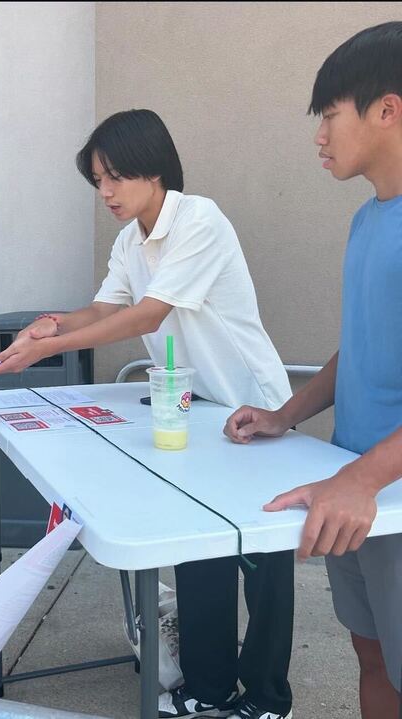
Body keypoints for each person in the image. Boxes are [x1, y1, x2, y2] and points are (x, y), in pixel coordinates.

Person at [0, 109, 294, 719]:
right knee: (201, 550)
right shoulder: (131, 240)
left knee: (264, 560)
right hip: (195, 411)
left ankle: (267, 700)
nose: (107, 193)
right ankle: (206, 689)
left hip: (255, 404)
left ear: (155, 169)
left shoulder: (199, 220)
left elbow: (148, 315)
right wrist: (52, 324)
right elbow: (102, 311)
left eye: (116, 176)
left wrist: (47, 349)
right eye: (98, 180)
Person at [224, 22, 402, 719]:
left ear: (387, 109)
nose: (319, 136)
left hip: (382, 492)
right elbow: (360, 347)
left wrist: (359, 480)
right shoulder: (367, 221)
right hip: (352, 488)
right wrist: (286, 414)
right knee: (372, 653)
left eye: (329, 115)